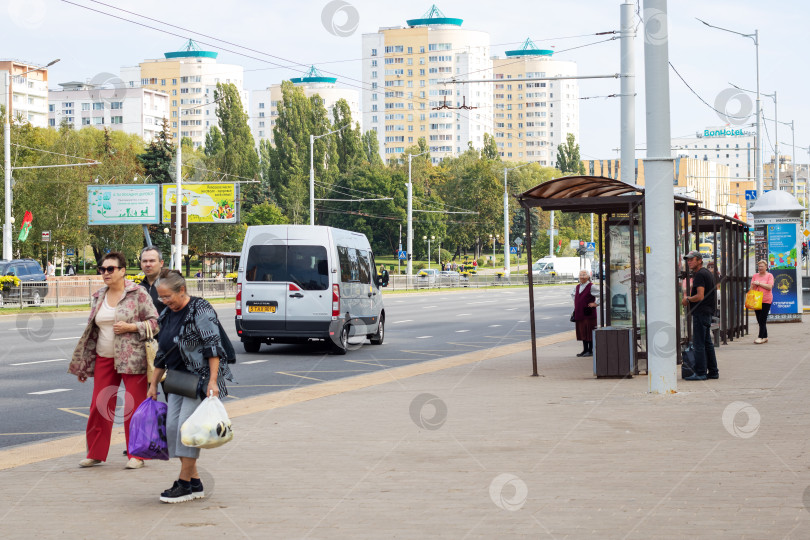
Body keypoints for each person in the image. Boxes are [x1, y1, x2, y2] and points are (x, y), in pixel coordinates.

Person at [147, 270, 235, 503]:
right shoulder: (167, 313)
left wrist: (213, 382)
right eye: (161, 297)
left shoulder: (200, 309)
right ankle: (195, 481)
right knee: (173, 429)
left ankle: (184, 483)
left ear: (182, 290)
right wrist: (153, 383)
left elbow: (213, 347)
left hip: (201, 379)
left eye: (168, 297)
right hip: (177, 379)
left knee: (188, 430)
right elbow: (162, 352)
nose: (164, 301)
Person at [68, 251, 159, 469]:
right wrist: (84, 365)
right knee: (99, 407)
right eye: (102, 269)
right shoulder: (99, 295)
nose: (105, 273)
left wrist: (131, 327)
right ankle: (95, 453)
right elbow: (92, 332)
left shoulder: (138, 293)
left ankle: (138, 455)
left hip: (132, 359)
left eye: (110, 269)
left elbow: (156, 323)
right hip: (104, 358)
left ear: (123, 270)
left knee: (134, 407)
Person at [681, 250, 718, 380]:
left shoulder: (700, 275)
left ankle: (701, 372)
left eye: (692, 259)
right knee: (707, 343)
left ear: (699, 260)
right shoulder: (706, 273)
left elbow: (700, 296)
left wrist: (688, 299)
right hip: (706, 312)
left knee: (699, 344)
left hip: (701, 313)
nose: (689, 262)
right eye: (688, 260)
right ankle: (713, 371)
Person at [571, 269, 599, 357]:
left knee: (589, 332)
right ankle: (585, 350)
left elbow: (603, 294)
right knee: (582, 331)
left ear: (588, 277)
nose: (581, 277)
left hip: (588, 313)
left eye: (583, 275)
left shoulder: (591, 286)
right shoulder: (577, 287)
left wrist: (596, 303)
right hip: (580, 313)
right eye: (580, 275)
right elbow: (573, 295)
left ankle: (590, 350)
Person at [750, 259, 774, 344]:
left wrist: (759, 283)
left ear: (766, 267)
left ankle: (760, 337)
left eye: (762, 266)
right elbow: (751, 288)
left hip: (766, 300)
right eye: (759, 266)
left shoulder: (769, 275)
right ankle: (765, 336)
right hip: (756, 299)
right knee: (759, 319)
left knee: (762, 319)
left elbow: (769, 287)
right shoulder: (755, 276)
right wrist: (753, 285)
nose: (760, 268)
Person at [139, 246, 166, 313]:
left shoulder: (170, 286)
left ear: (161, 263)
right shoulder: (138, 288)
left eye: (152, 261)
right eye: (144, 261)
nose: (148, 264)